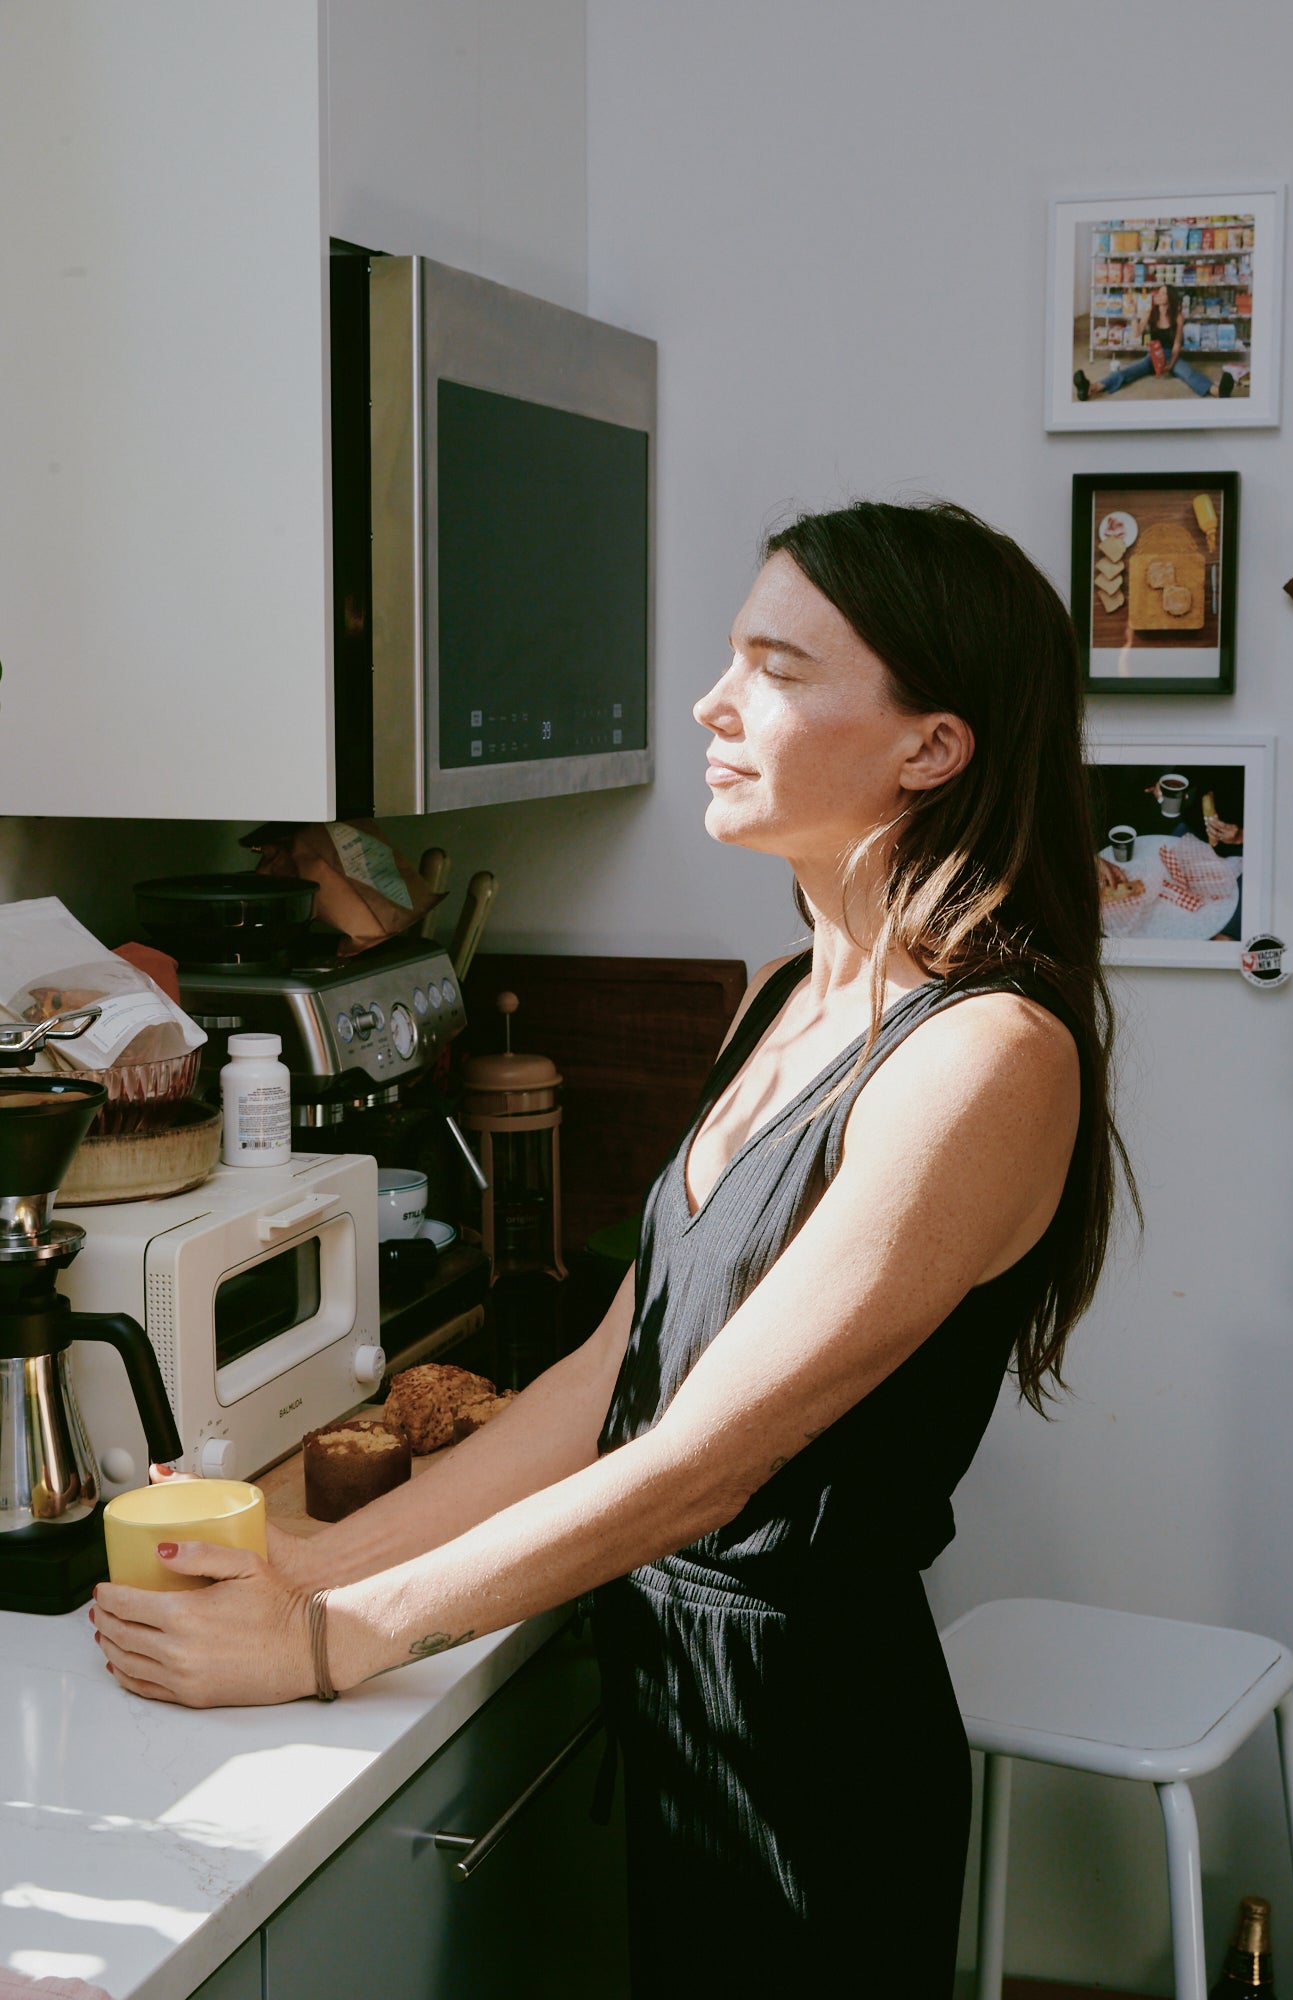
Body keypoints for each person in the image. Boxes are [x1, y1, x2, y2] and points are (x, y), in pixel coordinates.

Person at [91, 501, 1136, 1994]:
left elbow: (703, 1460)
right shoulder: (782, 995)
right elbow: (609, 1378)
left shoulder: (986, 1057)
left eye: (774, 669)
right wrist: (317, 1562)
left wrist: (327, 1647)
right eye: (730, 657)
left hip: (807, 1749)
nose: (713, 704)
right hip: (678, 1694)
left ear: (932, 747)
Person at [1075, 283, 1233, 400]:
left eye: (1162, 293)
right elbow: (1136, 333)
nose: (1157, 294)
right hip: (1153, 356)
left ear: (1169, 298)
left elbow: (1177, 343)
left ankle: (1218, 391)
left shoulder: (1178, 316)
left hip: (1171, 355)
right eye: (1158, 292)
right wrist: (1134, 313)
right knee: (1126, 372)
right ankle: (1091, 388)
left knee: (1189, 373)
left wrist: (1170, 364)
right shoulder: (1149, 311)